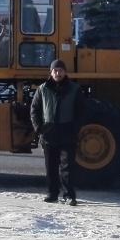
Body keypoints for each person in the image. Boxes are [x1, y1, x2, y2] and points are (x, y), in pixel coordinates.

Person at [30, 59, 83, 205]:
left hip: (68, 132)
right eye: (55, 70)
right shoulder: (42, 89)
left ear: (65, 72)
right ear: (51, 72)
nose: (58, 73)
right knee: (51, 166)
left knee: (67, 167)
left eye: (60, 70)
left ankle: (69, 195)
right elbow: (34, 109)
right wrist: (38, 128)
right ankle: (52, 194)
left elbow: (82, 111)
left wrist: (75, 128)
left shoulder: (74, 89)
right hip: (49, 132)